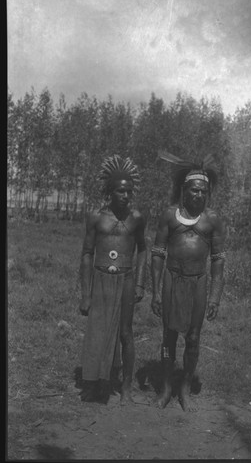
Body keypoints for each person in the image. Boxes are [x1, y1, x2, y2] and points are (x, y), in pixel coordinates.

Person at [151, 151, 226, 412]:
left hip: (198, 284)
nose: (198, 196)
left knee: (193, 338)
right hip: (172, 279)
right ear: (184, 190)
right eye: (194, 191)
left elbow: (217, 259)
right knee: (168, 337)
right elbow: (158, 254)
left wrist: (215, 296)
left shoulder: (212, 219)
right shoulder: (169, 215)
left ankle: (184, 388)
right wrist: (155, 292)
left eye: (203, 192)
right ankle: (166, 386)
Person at [79, 155, 147, 406]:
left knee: (125, 333)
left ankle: (126, 387)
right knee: (96, 332)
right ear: (110, 191)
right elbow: (86, 253)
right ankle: (92, 384)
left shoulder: (137, 218)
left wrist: (140, 282)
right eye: (120, 191)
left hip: (126, 278)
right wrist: (86, 293)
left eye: (129, 192)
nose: (126, 196)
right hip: (100, 278)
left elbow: (142, 249)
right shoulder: (96, 217)